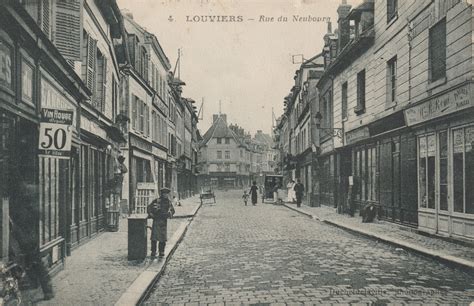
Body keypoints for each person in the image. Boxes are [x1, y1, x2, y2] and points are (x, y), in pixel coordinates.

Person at [147, 188, 175, 258]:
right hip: (156, 220)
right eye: (164, 194)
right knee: (154, 237)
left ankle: (161, 251)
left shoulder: (168, 202)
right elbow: (149, 208)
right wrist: (151, 214)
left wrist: (169, 214)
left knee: (162, 238)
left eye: (166, 194)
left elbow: (173, 211)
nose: (165, 195)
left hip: (163, 222)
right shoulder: (156, 201)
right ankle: (153, 251)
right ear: (161, 194)